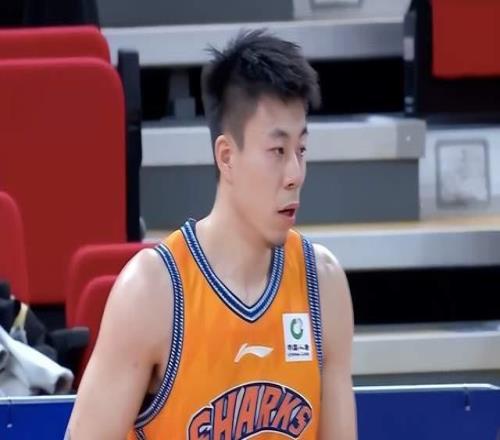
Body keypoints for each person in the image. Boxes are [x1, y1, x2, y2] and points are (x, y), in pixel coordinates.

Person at [67, 29, 357, 439]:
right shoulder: (152, 292)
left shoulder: (323, 285)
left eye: (301, 150)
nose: (294, 174)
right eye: (277, 151)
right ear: (227, 156)